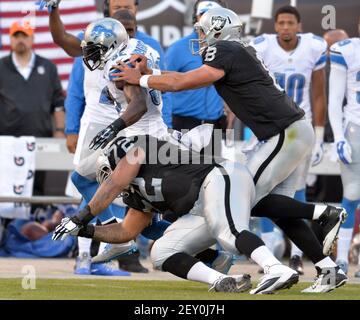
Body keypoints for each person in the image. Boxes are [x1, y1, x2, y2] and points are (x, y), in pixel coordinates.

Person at [114, 7, 348, 292]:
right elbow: (183, 76)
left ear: (218, 29)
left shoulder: (224, 49)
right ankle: (328, 268)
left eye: (202, 30)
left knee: (241, 195)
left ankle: (321, 214)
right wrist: (150, 71)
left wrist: (138, 78)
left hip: (284, 133)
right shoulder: (236, 50)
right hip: (291, 132)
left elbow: (183, 82)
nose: (199, 36)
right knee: (276, 209)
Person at [53, 133, 302, 294]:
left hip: (220, 178)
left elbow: (114, 183)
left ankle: (275, 268)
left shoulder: (137, 150)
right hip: (199, 209)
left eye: (111, 170)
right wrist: (85, 230)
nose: (109, 178)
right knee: (161, 252)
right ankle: (221, 280)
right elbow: (125, 231)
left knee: (228, 231)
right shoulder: (135, 193)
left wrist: (80, 217)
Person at [250, 5, 327, 274]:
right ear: (275, 26)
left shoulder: (314, 48)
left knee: (296, 188)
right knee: (266, 188)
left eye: (290, 23)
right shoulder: (262, 47)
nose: (285, 27)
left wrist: (318, 135)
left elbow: (318, 95)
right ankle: (272, 251)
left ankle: (295, 255)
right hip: (271, 128)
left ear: (299, 25)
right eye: (280, 23)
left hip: (298, 127)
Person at [0, 20, 65, 197]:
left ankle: (35, 221)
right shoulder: (1, 67)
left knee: (36, 188)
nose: (20, 40)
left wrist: (59, 131)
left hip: (40, 137)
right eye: (16, 36)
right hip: (6, 140)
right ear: (10, 39)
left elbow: (58, 104)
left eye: (24, 36)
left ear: (32, 38)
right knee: (7, 187)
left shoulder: (48, 67)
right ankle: (8, 224)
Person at [165, 0, 228, 159]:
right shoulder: (178, 48)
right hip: (184, 125)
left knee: (214, 176)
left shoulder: (228, 47)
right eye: (203, 15)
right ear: (195, 18)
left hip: (215, 124)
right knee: (183, 177)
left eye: (214, 16)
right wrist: (166, 125)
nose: (208, 20)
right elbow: (162, 85)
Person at [328, 17, 360, 277]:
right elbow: (334, 99)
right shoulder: (346, 49)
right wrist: (338, 136)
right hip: (355, 129)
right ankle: (341, 260)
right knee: (351, 194)